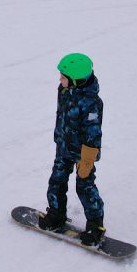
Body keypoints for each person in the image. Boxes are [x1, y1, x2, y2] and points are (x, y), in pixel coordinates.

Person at [40, 53, 106, 245]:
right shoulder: (64, 90)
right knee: (56, 181)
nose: (60, 80)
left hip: (83, 153)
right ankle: (56, 214)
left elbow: (93, 134)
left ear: (76, 80)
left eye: (63, 77)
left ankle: (96, 226)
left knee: (84, 187)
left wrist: (86, 161)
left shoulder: (91, 103)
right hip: (64, 146)